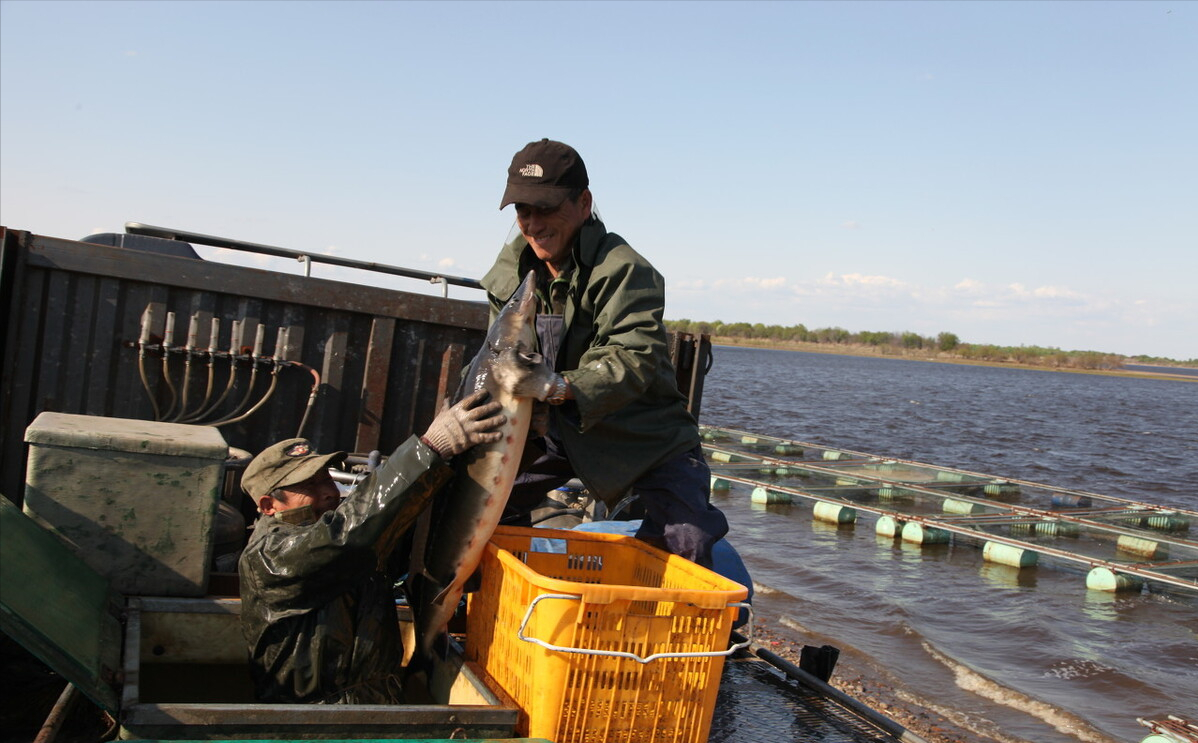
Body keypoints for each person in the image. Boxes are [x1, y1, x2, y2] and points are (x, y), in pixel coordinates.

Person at [480, 138, 729, 567]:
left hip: (642, 435)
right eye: (524, 211)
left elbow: (634, 356)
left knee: (687, 542)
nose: (534, 224)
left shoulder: (626, 270)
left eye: (546, 208)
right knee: (475, 506)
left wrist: (559, 386)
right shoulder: (511, 275)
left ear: (583, 202)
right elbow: (495, 360)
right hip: (553, 430)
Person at [237, 388, 515, 704]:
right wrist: (428, 450)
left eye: (326, 478)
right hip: (309, 715)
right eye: (308, 485)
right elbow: (343, 537)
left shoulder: (351, 537)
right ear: (268, 504)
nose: (328, 491)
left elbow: (395, 524)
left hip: (378, 705)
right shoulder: (268, 557)